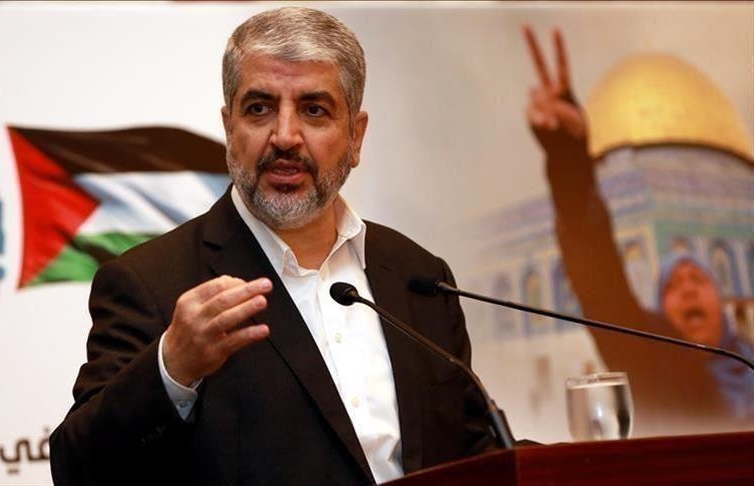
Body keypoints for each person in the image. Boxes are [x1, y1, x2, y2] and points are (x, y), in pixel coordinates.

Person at [50, 8, 498, 485]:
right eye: (259, 108)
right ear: (229, 128)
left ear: (355, 136)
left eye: (314, 110)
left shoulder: (418, 276)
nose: (285, 137)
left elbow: (473, 451)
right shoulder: (152, 282)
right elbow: (78, 468)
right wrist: (171, 369)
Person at [523, 26, 754, 434]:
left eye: (698, 279)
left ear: (721, 298)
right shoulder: (655, 369)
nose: (688, 290)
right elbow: (600, 281)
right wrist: (569, 157)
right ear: (659, 309)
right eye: (673, 285)